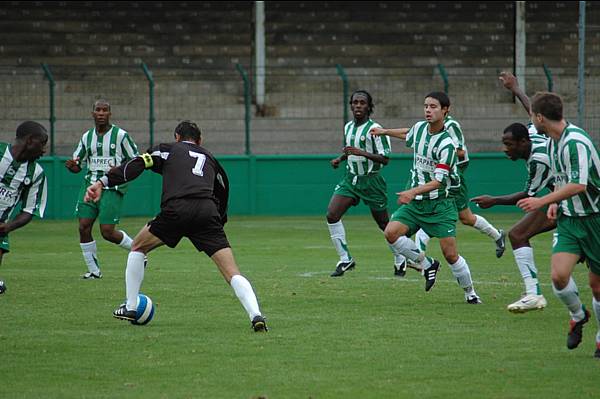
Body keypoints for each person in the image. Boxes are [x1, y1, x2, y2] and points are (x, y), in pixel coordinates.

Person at [85, 121, 268, 332]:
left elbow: (137, 164)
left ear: (177, 137)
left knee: (137, 247)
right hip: (207, 213)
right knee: (231, 271)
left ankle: (131, 306)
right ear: (199, 141)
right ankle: (256, 315)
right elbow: (223, 191)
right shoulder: (211, 159)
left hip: (177, 208)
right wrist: (218, 223)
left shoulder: (168, 150)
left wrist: (102, 182)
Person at [371, 92, 481, 303]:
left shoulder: (448, 144)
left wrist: (412, 191)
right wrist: (385, 131)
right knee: (391, 233)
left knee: (451, 255)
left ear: (445, 110)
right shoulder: (420, 128)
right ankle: (428, 264)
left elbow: (439, 181)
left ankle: (470, 293)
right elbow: (408, 133)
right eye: (426, 106)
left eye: (433, 107)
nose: (428, 110)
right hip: (416, 204)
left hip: (440, 204)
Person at [517, 92, 600, 357]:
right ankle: (578, 315)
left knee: (597, 285)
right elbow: (564, 180)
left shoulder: (575, 142)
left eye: (532, 115)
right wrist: (555, 202)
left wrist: (542, 201)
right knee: (558, 275)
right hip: (569, 220)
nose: (532, 119)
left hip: (595, 219)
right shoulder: (553, 142)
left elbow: (579, 184)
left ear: (540, 117)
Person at [472, 122, 554, 312]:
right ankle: (533, 293)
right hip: (562, 197)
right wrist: (516, 90)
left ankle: (535, 294)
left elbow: (528, 194)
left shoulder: (539, 160)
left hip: (574, 200)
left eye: (509, 144)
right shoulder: (533, 134)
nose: (505, 149)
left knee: (518, 235)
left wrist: (493, 200)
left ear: (524, 142)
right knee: (518, 235)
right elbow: (534, 112)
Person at [65, 99, 139, 279]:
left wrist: (119, 170)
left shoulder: (120, 135)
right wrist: (72, 166)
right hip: (89, 186)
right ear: (92, 113)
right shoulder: (86, 137)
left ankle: (139, 250)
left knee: (107, 231)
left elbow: (135, 160)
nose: (101, 113)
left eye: (105, 110)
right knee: (83, 227)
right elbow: (78, 165)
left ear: (110, 114)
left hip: (112, 187)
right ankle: (94, 271)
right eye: (98, 110)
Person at [326, 90, 392, 277]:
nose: (358, 106)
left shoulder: (375, 129)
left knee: (385, 225)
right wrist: (340, 158)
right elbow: (350, 150)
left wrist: (360, 152)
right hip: (351, 179)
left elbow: (385, 159)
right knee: (332, 214)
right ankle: (346, 259)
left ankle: (400, 257)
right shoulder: (348, 127)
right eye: (355, 102)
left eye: (362, 103)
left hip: (372, 181)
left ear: (369, 106)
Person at [0, 121, 48, 294]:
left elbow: (29, 210)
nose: (44, 150)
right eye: (41, 144)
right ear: (29, 141)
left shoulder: (36, 173)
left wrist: (7, 227)